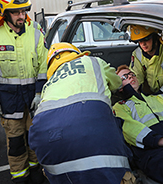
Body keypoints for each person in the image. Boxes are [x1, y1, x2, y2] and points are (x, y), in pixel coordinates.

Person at [28, 43, 135, 184]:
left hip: (43, 137)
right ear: (76, 52)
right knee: (115, 174)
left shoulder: (50, 83)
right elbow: (116, 83)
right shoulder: (93, 61)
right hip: (90, 126)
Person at [0, 0, 48, 183]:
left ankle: (37, 176)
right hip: (9, 101)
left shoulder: (36, 33)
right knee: (15, 145)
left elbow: (43, 67)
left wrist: (39, 94)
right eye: (16, 13)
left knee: (35, 142)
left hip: (32, 100)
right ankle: (20, 178)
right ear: (5, 14)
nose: (22, 16)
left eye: (23, 11)